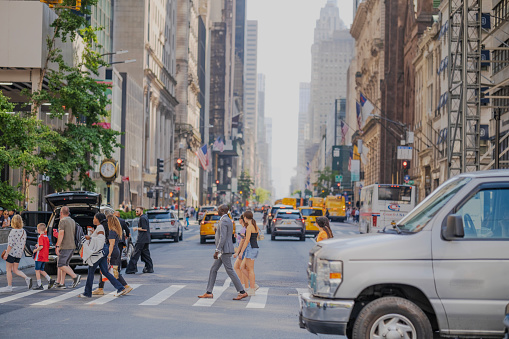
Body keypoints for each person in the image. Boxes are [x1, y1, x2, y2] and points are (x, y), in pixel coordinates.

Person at [198, 205, 248, 300]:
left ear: (222, 210)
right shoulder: (226, 219)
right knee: (213, 269)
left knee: (230, 271)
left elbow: (223, 237)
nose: (217, 210)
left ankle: (242, 291)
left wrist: (217, 250)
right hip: (224, 250)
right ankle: (209, 292)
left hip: (224, 250)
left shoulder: (224, 220)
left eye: (219, 209)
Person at [78, 214, 127, 298]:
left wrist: (89, 238)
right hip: (103, 251)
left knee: (91, 271)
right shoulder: (100, 227)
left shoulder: (100, 227)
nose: (93, 219)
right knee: (105, 272)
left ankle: (87, 293)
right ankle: (120, 287)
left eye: (94, 218)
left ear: (98, 219)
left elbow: (100, 239)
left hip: (99, 253)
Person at [92, 215, 133, 296]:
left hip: (112, 252)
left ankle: (125, 286)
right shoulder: (116, 230)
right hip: (115, 251)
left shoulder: (111, 231)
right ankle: (100, 288)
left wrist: (109, 255)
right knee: (105, 270)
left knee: (114, 271)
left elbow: (112, 244)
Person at [0, 215, 32, 292]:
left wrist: (6, 254)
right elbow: (24, 244)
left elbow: (10, 244)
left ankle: (9, 286)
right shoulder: (23, 231)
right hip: (19, 253)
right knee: (15, 270)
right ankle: (27, 278)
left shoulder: (12, 232)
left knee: (8, 270)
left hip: (11, 253)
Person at [54, 206, 81, 289]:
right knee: (65, 264)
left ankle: (75, 277)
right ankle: (62, 283)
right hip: (72, 246)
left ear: (61, 213)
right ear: (68, 213)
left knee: (61, 264)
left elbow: (61, 234)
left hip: (65, 246)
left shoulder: (62, 221)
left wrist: (57, 246)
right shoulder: (72, 221)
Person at [237, 210, 260, 296]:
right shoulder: (255, 225)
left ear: (246, 218)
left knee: (250, 269)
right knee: (242, 267)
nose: (244, 219)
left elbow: (247, 240)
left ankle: (252, 289)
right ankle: (254, 284)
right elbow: (255, 236)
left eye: (244, 218)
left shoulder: (250, 226)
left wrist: (241, 252)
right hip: (252, 248)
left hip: (251, 249)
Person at [126, 207, 154, 274]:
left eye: (137, 211)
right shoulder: (145, 217)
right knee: (146, 254)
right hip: (146, 239)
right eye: (136, 211)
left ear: (141, 211)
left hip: (141, 239)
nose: (136, 212)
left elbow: (144, 229)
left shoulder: (142, 218)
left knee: (135, 254)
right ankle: (149, 268)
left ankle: (131, 269)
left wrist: (136, 228)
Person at [32, 223, 55, 290]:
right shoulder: (46, 237)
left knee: (37, 270)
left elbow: (41, 246)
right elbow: (47, 246)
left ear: (39, 229)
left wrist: (35, 250)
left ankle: (39, 285)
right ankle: (49, 279)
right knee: (41, 270)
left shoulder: (40, 237)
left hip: (39, 256)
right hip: (45, 256)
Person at [233, 214, 249, 290]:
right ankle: (244, 284)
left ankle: (245, 286)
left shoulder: (244, 229)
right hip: (242, 250)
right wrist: (237, 236)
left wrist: (239, 252)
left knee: (241, 268)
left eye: (239, 218)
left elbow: (243, 241)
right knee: (238, 267)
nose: (238, 220)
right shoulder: (244, 228)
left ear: (242, 220)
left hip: (242, 250)